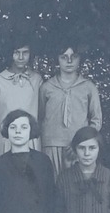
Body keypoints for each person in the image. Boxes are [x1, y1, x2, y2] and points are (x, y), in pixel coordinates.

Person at [39, 43, 102, 177]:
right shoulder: (47, 87)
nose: (69, 61)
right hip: (51, 145)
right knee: (52, 185)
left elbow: (96, 119)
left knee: (76, 186)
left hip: (77, 146)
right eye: (64, 57)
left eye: (73, 56)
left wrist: (83, 142)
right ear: (57, 59)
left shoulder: (88, 87)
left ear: (79, 59)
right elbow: (40, 117)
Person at [0, 38, 43, 156]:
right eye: (16, 52)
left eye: (25, 53)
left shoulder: (36, 80)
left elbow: (42, 113)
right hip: (6, 139)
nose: (21, 57)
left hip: (30, 139)